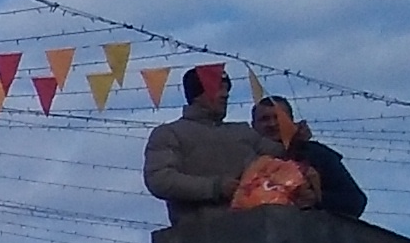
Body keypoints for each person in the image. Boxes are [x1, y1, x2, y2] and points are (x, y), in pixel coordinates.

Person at [143, 64, 271, 222]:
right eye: (218, 88)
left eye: (226, 90)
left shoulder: (243, 132)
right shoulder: (170, 133)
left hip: (254, 226)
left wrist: (293, 136)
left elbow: (280, 156)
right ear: (197, 94)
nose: (225, 95)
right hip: (197, 234)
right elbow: (160, 179)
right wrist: (215, 187)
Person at [252, 95, 366, 219]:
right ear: (253, 125)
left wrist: (317, 198)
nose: (272, 123)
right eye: (264, 119)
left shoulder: (317, 154)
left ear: (291, 121)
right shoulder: (246, 158)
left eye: (278, 117)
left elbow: (355, 201)